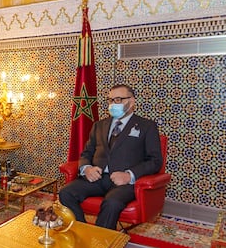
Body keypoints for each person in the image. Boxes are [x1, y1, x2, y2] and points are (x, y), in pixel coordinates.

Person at [59, 84, 163, 230]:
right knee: (66, 192)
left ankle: (102, 246)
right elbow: (86, 153)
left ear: (131, 101)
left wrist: (129, 175)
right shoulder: (99, 125)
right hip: (98, 178)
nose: (113, 104)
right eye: (111, 100)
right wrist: (86, 168)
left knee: (112, 202)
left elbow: (155, 161)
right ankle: (84, 233)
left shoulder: (147, 126)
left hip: (125, 183)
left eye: (118, 99)